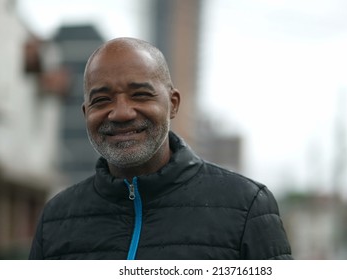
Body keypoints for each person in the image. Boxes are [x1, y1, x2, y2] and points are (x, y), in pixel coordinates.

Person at [28, 37, 292, 260]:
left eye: (140, 94)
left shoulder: (247, 207)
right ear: (86, 113)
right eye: (102, 100)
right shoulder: (56, 219)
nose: (121, 113)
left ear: (173, 104)